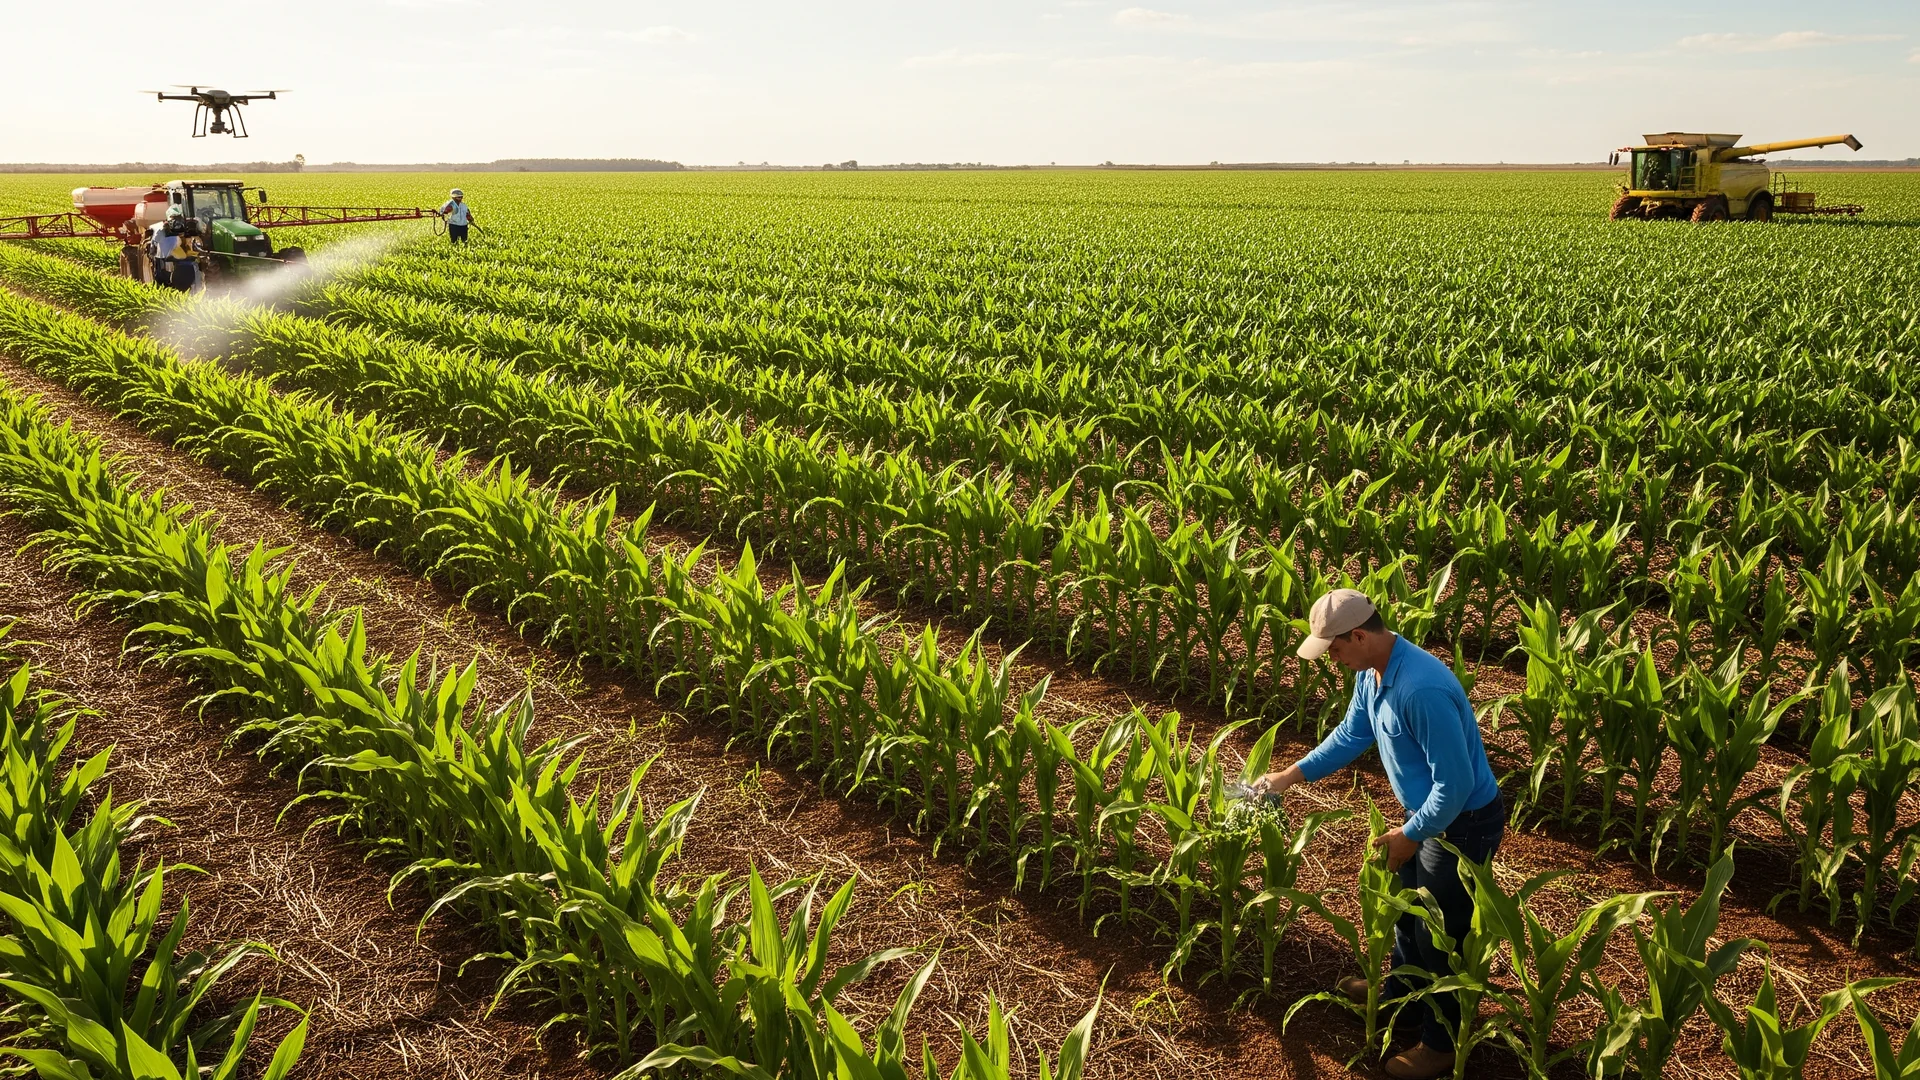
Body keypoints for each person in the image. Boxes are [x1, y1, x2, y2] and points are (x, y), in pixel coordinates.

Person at [1254, 588, 1504, 1080]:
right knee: (1408, 915)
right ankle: (1400, 999)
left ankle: (1441, 1043)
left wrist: (1411, 833)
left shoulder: (1420, 689)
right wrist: (1288, 776)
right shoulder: (1372, 673)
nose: (1332, 659)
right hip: (1426, 815)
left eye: (1334, 649)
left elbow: (1454, 786)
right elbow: (1352, 733)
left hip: (1461, 823)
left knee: (1441, 935)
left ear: (1359, 635)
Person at [146, 206, 201, 291]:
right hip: (168, 259)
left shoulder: (190, 226)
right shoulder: (161, 229)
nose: (177, 221)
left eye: (178, 218)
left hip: (179, 259)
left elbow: (194, 240)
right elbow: (155, 243)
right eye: (174, 218)